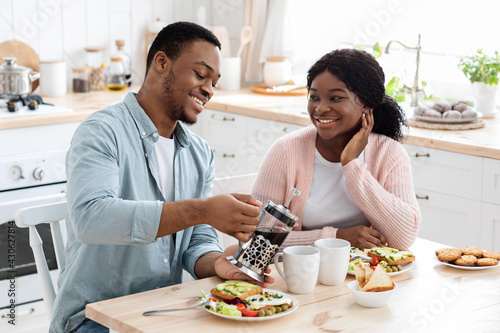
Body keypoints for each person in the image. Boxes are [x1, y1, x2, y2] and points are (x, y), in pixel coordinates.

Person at [50, 22, 273, 333]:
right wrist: (203, 209)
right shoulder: (102, 132)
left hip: (159, 314)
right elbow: (90, 218)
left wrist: (218, 263)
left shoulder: (199, 153)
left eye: (214, 82)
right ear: (161, 63)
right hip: (94, 320)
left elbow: (197, 241)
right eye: (200, 74)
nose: (208, 89)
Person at [252, 48, 421, 251]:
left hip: (359, 279)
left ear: (366, 104)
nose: (321, 108)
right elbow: (258, 239)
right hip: (297, 276)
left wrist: (351, 164)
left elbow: (404, 238)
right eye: (314, 97)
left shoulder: (388, 153)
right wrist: (335, 239)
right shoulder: (286, 151)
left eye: (335, 98)